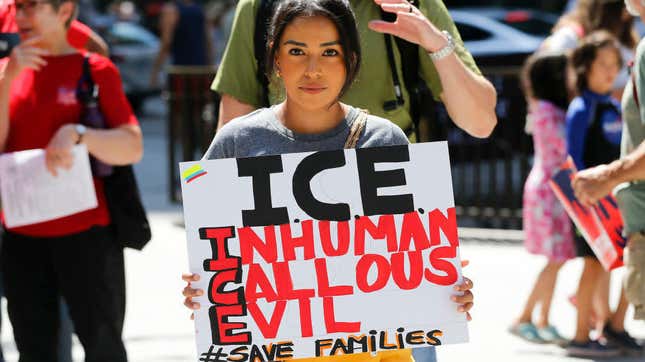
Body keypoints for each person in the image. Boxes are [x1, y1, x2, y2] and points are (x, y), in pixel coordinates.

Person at [182, 1, 475, 362]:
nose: (313, 69)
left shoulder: (386, 142)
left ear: (350, 60)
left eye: (329, 52)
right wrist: (204, 290)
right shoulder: (236, 142)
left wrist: (445, 291)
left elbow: (415, 268)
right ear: (275, 58)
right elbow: (215, 261)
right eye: (296, 51)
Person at [0, 1, 143, 361]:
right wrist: (6, 82)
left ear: (65, 10)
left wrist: (80, 133)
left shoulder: (95, 69)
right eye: (19, 7)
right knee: (35, 349)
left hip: (88, 235)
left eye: (33, 7)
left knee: (103, 347)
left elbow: (131, 146)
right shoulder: (7, 71)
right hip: (21, 236)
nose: (22, 16)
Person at [211, 0, 497, 140]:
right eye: (297, 52)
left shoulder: (410, 3)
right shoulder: (261, 6)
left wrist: (435, 43)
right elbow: (233, 133)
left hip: (394, 196)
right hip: (289, 204)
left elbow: (481, 123)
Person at [564, 30, 641, 357]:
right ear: (586, 67)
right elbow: (574, 161)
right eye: (603, 64)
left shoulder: (613, 106)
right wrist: (586, 199)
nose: (611, 71)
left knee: (621, 263)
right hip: (590, 203)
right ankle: (580, 337)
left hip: (616, 200)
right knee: (592, 267)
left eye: (615, 64)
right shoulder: (582, 109)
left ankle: (611, 327)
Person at [508, 52, 574, 346]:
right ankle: (524, 318)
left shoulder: (548, 107)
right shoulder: (547, 110)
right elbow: (562, 149)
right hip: (551, 192)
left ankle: (542, 319)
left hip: (554, 190)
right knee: (556, 258)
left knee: (557, 258)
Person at [542, 0, 638, 99]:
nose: (626, 13)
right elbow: (553, 88)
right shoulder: (569, 38)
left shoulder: (626, 39)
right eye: (621, 6)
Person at [0, 0, 108, 56]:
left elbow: (96, 47)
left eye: (32, 4)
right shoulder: (5, 11)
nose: (19, 16)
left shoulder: (48, 21)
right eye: (18, 6)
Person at [149, 0, 214, 87]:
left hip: (181, 71)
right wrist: (210, 66)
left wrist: (155, 71)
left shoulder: (170, 10)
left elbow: (166, 42)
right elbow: (208, 41)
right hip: (201, 69)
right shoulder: (200, 9)